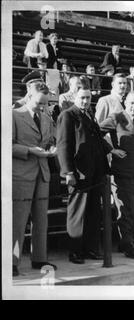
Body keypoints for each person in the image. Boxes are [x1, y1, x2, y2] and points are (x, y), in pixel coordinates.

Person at [56, 86, 125, 264]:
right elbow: (64, 145)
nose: (85, 101)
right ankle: (76, 252)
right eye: (82, 98)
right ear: (74, 97)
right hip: (79, 173)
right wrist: (68, 172)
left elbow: (97, 139)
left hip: (96, 172)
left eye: (88, 98)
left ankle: (91, 249)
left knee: (94, 212)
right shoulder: (68, 115)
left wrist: (111, 149)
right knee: (78, 213)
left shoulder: (89, 114)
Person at [12, 83, 57, 277]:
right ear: (29, 96)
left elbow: (50, 141)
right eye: (39, 103)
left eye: (45, 104)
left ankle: (39, 258)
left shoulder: (46, 118)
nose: (42, 107)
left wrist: (52, 150)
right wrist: (29, 150)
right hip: (21, 174)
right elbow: (7, 145)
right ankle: (12, 262)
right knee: (18, 221)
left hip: (42, 172)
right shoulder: (14, 115)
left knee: (41, 220)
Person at [99, 91, 134, 258]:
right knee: (126, 207)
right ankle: (127, 243)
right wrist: (111, 150)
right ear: (125, 102)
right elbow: (96, 132)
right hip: (123, 170)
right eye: (132, 103)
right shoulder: (117, 117)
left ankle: (132, 241)